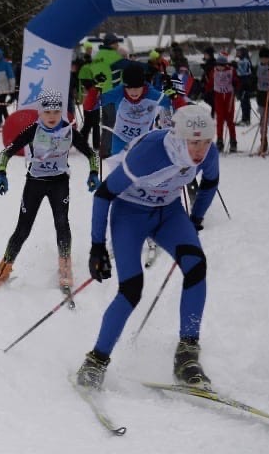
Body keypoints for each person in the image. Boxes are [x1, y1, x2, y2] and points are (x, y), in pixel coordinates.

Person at [76, 104, 219, 390]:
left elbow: (210, 182)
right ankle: (95, 361)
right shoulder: (150, 152)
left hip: (169, 213)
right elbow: (104, 193)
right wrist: (97, 246)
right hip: (130, 214)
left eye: (205, 142)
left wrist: (196, 218)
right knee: (131, 289)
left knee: (196, 266)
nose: (200, 150)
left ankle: (187, 355)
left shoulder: (208, 152)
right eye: (193, 142)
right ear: (179, 138)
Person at [0, 89, 99, 296]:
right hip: (35, 183)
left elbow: (92, 154)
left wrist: (93, 173)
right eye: (47, 112)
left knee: (62, 224)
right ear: (40, 113)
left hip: (59, 183)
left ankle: (65, 267)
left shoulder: (69, 131)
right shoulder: (33, 130)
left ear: (62, 113)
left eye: (56, 112)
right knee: (23, 229)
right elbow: (6, 152)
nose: (52, 117)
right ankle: (4, 269)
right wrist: (2, 174)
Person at [99, 64, 173, 161]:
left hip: (143, 141)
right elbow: (91, 105)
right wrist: (95, 89)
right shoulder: (119, 92)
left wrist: (174, 95)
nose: (133, 92)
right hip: (120, 139)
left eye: (137, 87)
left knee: (140, 173)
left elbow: (176, 106)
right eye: (129, 88)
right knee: (119, 173)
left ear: (143, 85)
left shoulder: (153, 95)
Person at [78, 33, 124, 150]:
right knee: (114, 122)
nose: (118, 45)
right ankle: (109, 148)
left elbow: (91, 71)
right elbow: (123, 74)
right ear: (111, 44)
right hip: (114, 93)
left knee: (105, 121)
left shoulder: (97, 56)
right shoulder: (115, 56)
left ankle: (104, 147)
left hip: (101, 93)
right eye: (116, 43)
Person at [206, 53, 240, 152]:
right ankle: (220, 141)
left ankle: (233, 141)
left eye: (221, 65)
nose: (219, 67)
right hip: (218, 97)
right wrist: (206, 90)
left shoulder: (231, 70)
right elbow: (211, 82)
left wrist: (236, 83)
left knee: (230, 120)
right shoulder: (214, 71)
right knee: (219, 120)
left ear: (225, 65)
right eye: (218, 65)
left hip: (229, 97)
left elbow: (237, 81)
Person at [234, 46, 253, 126]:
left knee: (245, 102)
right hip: (241, 84)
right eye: (237, 51)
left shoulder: (245, 61)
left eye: (239, 51)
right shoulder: (241, 60)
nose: (237, 53)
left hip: (245, 84)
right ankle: (244, 118)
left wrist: (236, 67)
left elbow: (243, 73)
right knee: (243, 102)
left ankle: (246, 119)